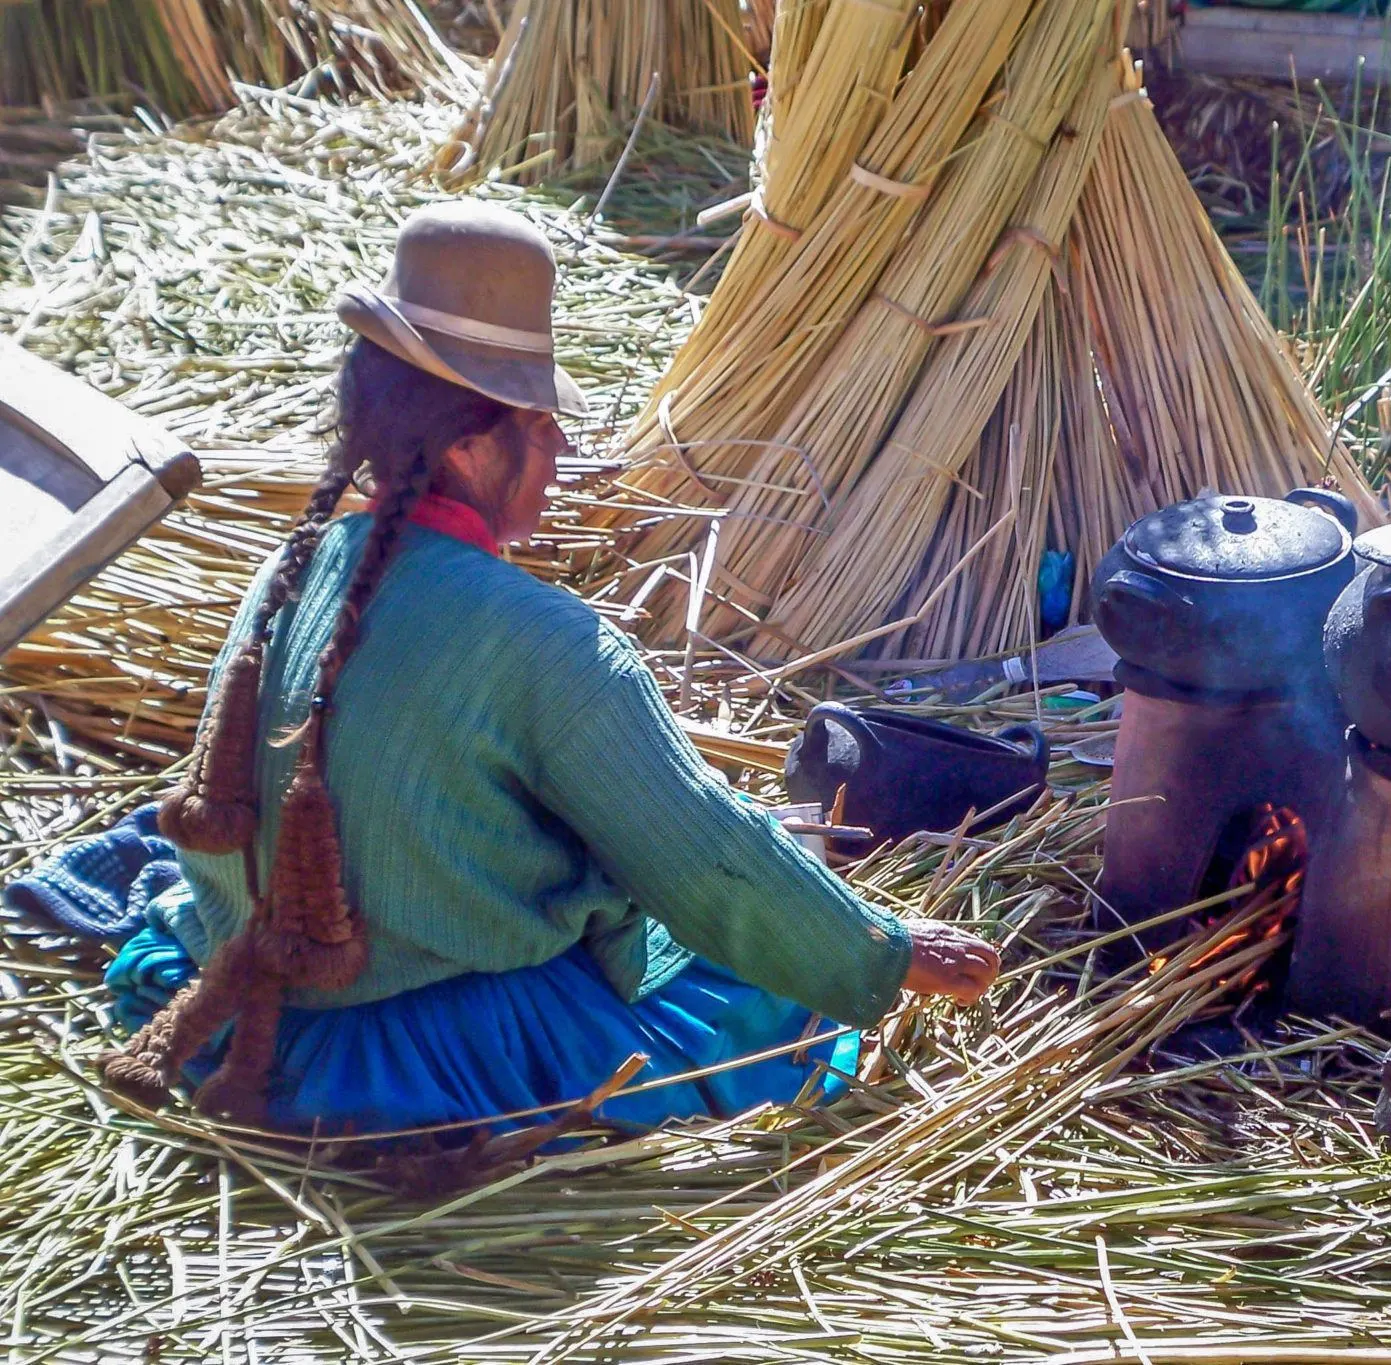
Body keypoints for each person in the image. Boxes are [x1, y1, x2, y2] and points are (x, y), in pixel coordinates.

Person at [96, 203, 1000, 1137]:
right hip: (417, 1051)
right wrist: (884, 953)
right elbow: (704, 860)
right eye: (538, 422)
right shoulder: (547, 643)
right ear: (467, 446)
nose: (560, 450)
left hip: (249, 1003)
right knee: (755, 984)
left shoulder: (290, 569)